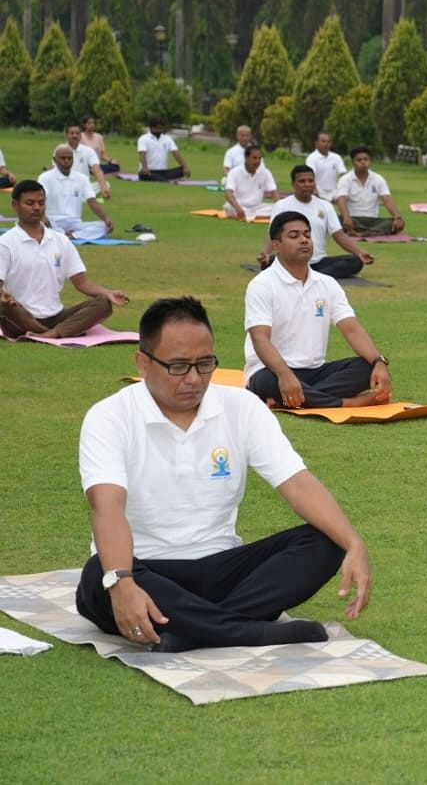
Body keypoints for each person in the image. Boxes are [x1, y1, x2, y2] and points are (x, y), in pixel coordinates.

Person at [75, 296, 371, 652]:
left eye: (205, 364)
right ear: (142, 363)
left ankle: (194, 630)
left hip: (222, 570)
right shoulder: (109, 417)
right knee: (99, 576)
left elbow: (297, 481)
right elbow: (107, 506)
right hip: (145, 571)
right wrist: (121, 582)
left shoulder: (241, 407)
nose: (194, 378)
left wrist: (353, 543)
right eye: (179, 366)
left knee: (325, 540)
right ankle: (245, 631)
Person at [245, 212, 393, 409]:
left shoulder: (327, 283)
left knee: (365, 367)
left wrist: (379, 362)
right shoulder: (262, 285)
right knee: (266, 381)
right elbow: (260, 339)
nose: (304, 240)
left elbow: (351, 328)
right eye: (294, 235)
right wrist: (285, 376)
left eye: (307, 234)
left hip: (315, 371)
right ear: (276, 245)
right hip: (271, 370)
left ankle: (292, 398)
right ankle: (345, 403)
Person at [0, 181, 129, 339]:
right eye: (30, 203)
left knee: (103, 304)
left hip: (57, 316)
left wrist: (108, 293)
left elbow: (82, 283)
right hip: (20, 315)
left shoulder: (61, 240)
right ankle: (56, 332)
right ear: (15, 205)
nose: (36, 208)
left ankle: (52, 333)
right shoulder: (5, 243)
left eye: (41, 203)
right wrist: (4, 298)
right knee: (5, 308)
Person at [261, 165, 373, 280]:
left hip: (318, 262)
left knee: (355, 261)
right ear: (293, 184)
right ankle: (312, 275)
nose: (307, 184)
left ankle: (314, 276)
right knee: (269, 263)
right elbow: (273, 234)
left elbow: (339, 235)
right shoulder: (281, 205)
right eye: (302, 181)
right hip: (291, 260)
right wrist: (266, 253)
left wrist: (360, 253)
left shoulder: (325, 206)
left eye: (310, 181)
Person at [39, 144, 114, 240]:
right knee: (41, 226)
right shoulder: (45, 177)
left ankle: (72, 235)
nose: (66, 161)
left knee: (104, 226)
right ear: (55, 160)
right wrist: (43, 216)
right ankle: (64, 234)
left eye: (69, 158)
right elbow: (39, 199)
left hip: (75, 223)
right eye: (62, 158)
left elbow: (92, 201)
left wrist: (106, 218)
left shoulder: (81, 178)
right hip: (52, 220)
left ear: (73, 160)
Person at [335, 147, 406, 236]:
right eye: (359, 160)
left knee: (399, 223)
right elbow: (341, 200)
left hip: (373, 221)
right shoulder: (345, 179)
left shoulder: (378, 179)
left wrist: (397, 217)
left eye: (366, 159)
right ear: (353, 162)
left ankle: (363, 234)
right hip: (353, 219)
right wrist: (346, 217)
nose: (363, 162)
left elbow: (387, 199)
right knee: (337, 219)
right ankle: (373, 232)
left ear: (370, 161)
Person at [223, 143, 278, 221]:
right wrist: (238, 208)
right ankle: (257, 216)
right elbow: (228, 193)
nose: (257, 161)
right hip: (238, 206)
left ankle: (251, 216)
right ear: (246, 158)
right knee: (229, 207)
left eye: (260, 158)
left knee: (277, 208)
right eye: (254, 158)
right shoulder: (234, 172)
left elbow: (274, 192)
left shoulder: (265, 172)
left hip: (257, 207)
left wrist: (279, 208)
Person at [66, 121, 111, 198]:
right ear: (66, 135)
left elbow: (97, 170)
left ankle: (80, 195)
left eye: (77, 133)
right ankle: (81, 195)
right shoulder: (60, 150)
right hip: (66, 185)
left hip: (84, 186)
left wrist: (104, 188)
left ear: (80, 135)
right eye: (72, 133)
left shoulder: (88, 151)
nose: (75, 136)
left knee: (106, 184)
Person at [305, 132, 347, 201]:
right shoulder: (311, 158)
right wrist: (315, 192)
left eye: (328, 142)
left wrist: (342, 189)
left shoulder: (336, 157)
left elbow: (342, 174)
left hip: (335, 192)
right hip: (318, 193)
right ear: (316, 143)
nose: (326, 144)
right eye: (323, 141)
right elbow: (310, 176)